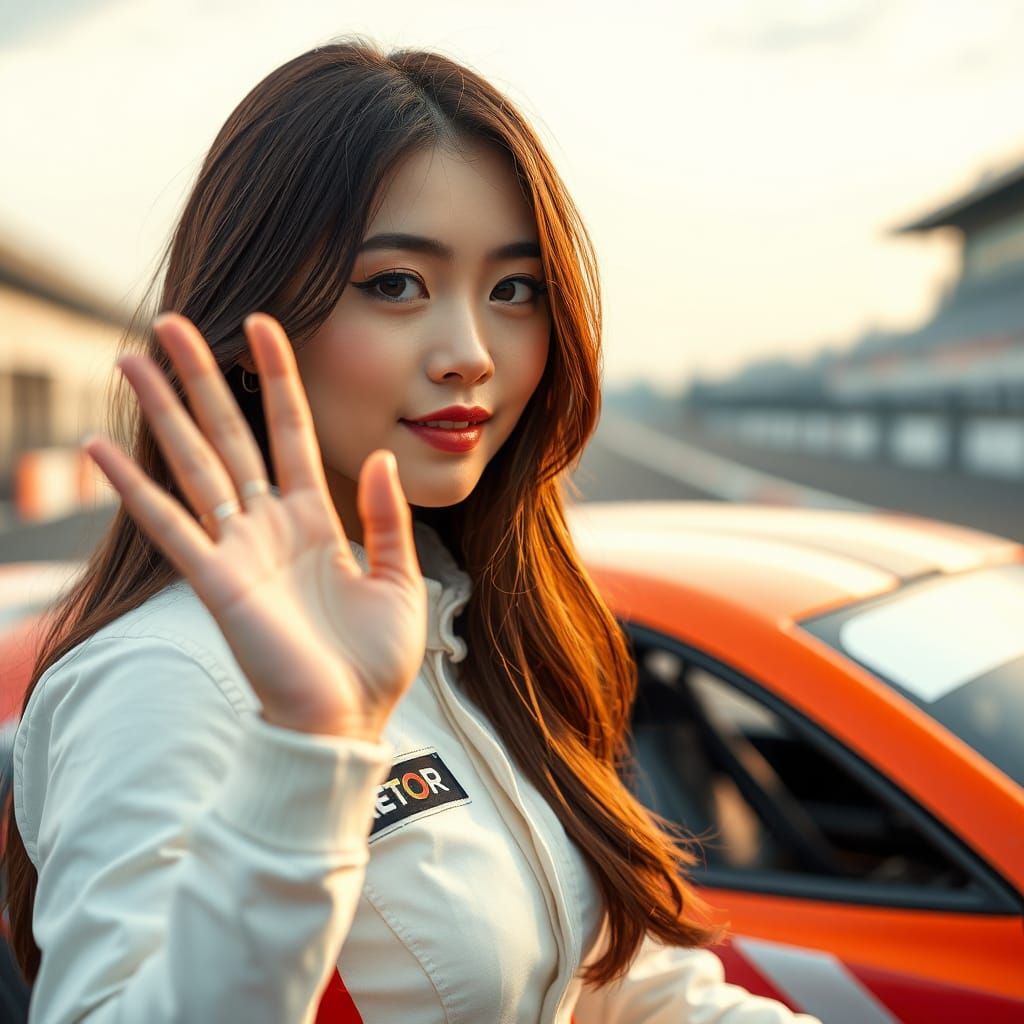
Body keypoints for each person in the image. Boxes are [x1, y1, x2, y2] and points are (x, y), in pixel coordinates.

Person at [2, 38, 822, 1023]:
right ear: (254, 319)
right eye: (395, 283)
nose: (472, 354)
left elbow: (620, 988)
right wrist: (311, 747)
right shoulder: (164, 675)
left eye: (513, 289)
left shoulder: (476, 620)